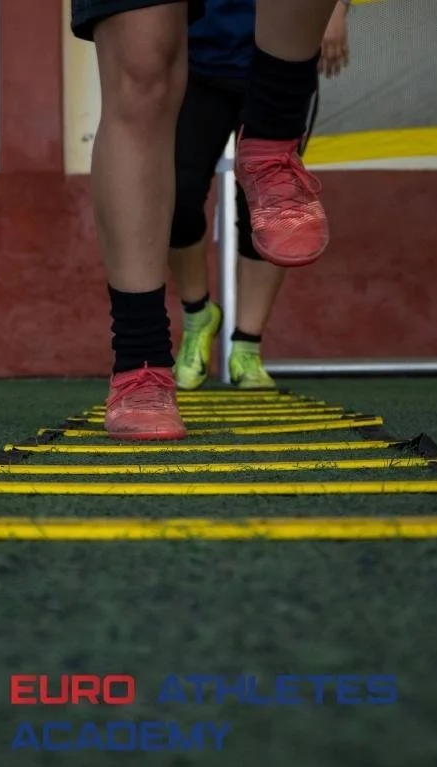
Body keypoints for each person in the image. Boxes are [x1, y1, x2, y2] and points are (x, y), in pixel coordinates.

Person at [71, 0, 341, 439]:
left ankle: (272, 142)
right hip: (201, 63)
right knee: (141, 76)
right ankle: (142, 363)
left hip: (263, 64)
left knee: (260, 220)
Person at [171, 0, 350, 391]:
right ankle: (198, 315)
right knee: (175, 199)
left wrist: (336, 9)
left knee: (270, 205)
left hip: (279, 62)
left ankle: (247, 347)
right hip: (198, 60)